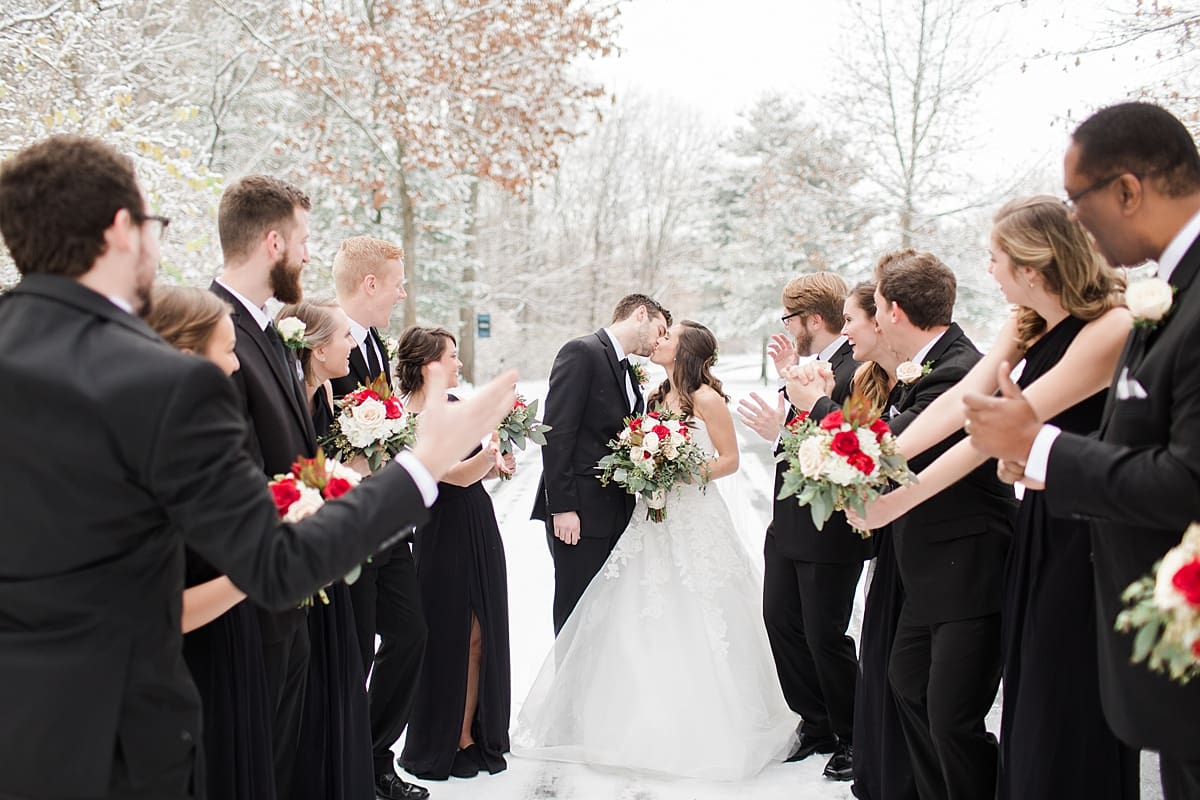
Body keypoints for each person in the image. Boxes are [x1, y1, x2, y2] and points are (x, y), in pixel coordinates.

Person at [0, 134, 516, 800]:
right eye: (153, 226)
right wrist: (423, 465)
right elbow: (272, 564)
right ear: (122, 231)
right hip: (119, 745)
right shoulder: (164, 380)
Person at [854, 198, 1138, 798]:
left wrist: (895, 498)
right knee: (1028, 703)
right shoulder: (1023, 322)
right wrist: (875, 465)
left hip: (1084, 530)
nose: (987, 269)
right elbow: (963, 407)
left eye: (994, 257)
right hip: (1039, 522)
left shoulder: (1110, 327)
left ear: (1032, 267)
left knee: (1067, 701)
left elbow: (1002, 429)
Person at [962, 102, 1200, 800]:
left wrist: (1040, 449)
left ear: (1128, 189)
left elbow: (1188, 478)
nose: (1076, 221)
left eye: (1078, 200)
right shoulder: (1173, 292)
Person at [514, 320, 799, 780]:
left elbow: (730, 459)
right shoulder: (655, 396)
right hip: (650, 520)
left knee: (702, 612)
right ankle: (632, 715)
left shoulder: (707, 397)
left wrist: (681, 475)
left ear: (686, 349)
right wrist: (647, 466)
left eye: (669, 336)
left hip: (694, 518)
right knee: (640, 611)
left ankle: (710, 719)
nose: (658, 340)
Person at [793, 249, 1015, 800]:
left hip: (968, 568)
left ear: (891, 311)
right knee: (907, 685)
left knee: (952, 718)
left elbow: (894, 450)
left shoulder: (960, 367)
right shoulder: (928, 366)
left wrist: (818, 407)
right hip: (925, 569)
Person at [210, 174, 320, 799]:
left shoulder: (272, 328)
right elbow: (228, 470)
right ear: (274, 242)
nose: (309, 254)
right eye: (303, 239)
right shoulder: (211, 328)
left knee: (278, 757)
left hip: (289, 587)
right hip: (246, 595)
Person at [736, 272, 869, 782]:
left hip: (830, 523)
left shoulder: (855, 368)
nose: (787, 328)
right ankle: (814, 722)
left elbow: (843, 445)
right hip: (788, 520)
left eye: (790, 319)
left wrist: (779, 433)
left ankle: (854, 734)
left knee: (825, 634)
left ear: (814, 319)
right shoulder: (810, 365)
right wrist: (790, 378)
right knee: (781, 622)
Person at [145, 284, 276, 800]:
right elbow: (165, 609)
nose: (238, 367)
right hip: (185, 665)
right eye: (226, 351)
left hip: (232, 637)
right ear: (183, 358)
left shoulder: (199, 436)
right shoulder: (147, 455)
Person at [329, 236, 429, 800]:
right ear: (371, 284)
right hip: (347, 522)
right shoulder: (323, 336)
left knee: (409, 633)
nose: (402, 291)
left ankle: (373, 754)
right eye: (397, 281)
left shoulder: (373, 348)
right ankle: (353, 768)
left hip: (386, 520)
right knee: (356, 649)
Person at [395, 327, 514, 781]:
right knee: (451, 636)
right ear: (429, 365)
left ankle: (471, 732)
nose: (459, 364)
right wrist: (487, 456)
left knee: (481, 631)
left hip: (476, 524)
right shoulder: (407, 418)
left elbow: (478, 470)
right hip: (439, 532)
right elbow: (456, 476)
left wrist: (498, 461)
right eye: (452, 356)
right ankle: (443, 738)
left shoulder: (455, 408)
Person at [276, 298, 376, 800]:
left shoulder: (326, 400)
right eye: (343, 338)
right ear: (315, 349)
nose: (353, 345)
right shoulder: (291, 399)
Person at [532, 293, 671, 634]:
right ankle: (569, 687)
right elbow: (557, 432)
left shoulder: (625, 367)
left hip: (615, 512)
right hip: (578, 514)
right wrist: (562, 507)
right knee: (576, 615)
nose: (660, 341)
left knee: (605, 619)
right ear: (641, 314)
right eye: (660, 329)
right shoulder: (582, 352)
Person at [834, 282, 916, 800]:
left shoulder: (916, 377)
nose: (844, 331)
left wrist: (817, 406)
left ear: (883, 320)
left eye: (849, 320)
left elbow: (877, 447)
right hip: (883, 530)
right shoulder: (865, 379)